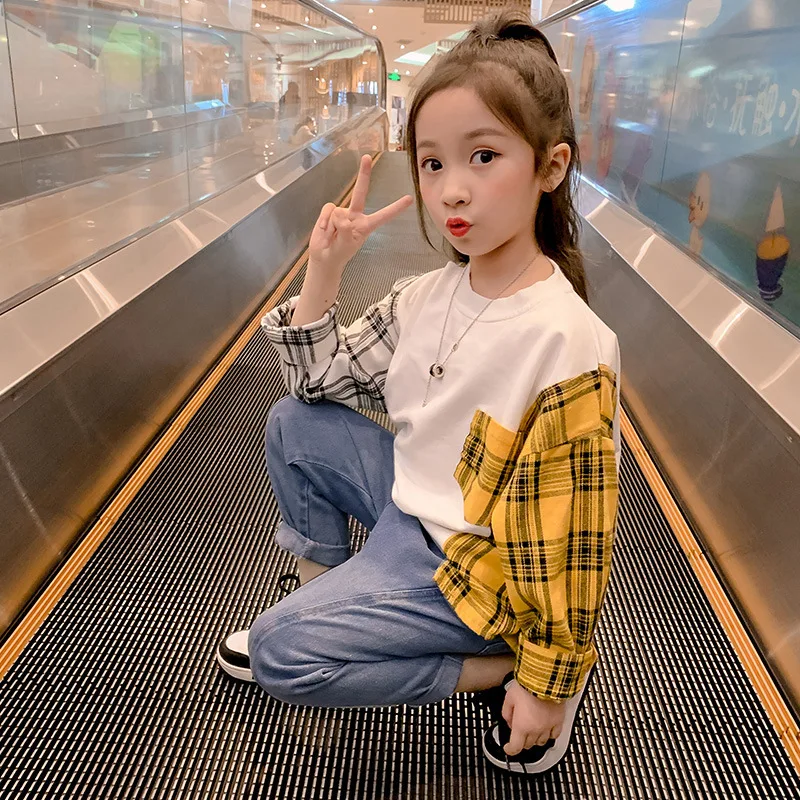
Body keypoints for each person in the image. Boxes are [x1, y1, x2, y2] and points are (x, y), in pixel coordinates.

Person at [217, 10, 620, 776]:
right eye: (432, 163)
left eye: (484, 156)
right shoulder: (426, 297)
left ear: (551, 166)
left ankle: (495, 670)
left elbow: (571, 541)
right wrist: (325, 271)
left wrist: (548, 682)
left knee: (280, 653)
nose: (452, 190)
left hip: (477, 572)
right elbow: (314, 384)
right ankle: (326, 595)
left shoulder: (566, 344)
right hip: (412, 511)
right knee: (293, 422)